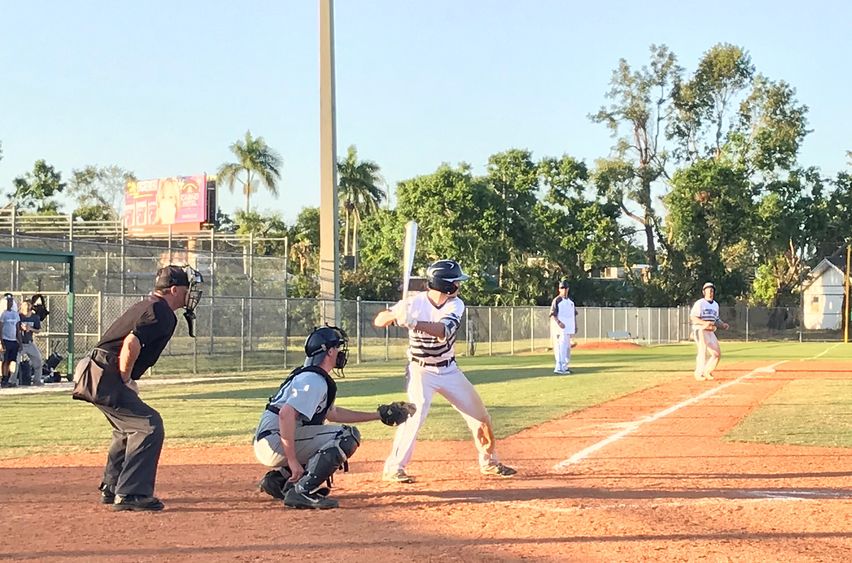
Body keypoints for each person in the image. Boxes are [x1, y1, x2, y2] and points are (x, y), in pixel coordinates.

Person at [374, 259, 516, 483]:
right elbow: (379, 320)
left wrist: (412, 322)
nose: (459, 285)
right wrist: (395, 315)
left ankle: (489, 462)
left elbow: (442, 331)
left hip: (449, 370)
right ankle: (394, 468)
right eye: (456, 281)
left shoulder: (456, 305)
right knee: (414, 414)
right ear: (446, 284)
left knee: (480, 416)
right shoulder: (414, 302)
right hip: (420, 370)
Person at [73, 265, 203, 511]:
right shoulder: (160, 311)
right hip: (103, 373)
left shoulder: (148, 305)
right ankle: (132, 493)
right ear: (174, 289)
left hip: (94, 370)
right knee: (149, 426)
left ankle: (112, 487)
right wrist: (125, 378)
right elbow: (132, 343)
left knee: (127, 428)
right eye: (186, 289)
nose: (190, 295)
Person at [253, 325, 415, 510]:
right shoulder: (313, 380)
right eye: (337, 348)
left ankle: (279, 481)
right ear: (329, 351)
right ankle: (302, 491)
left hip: (273, 437)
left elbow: (333, 414)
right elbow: (286, 415)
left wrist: (379, 415)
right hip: (275, 439)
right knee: (346, 436)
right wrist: (292, 460)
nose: (340, 352)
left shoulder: (311, 375)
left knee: (330, 435)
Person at [690, 282, 729, 381]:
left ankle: (707, 371)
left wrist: (723, 324)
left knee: (717, 354)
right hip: (700, 330)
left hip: (710, 331)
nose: (711, 292)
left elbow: (716, 320)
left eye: (712, 291)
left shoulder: (715, 305)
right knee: (702, 351)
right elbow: (693, 317)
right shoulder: (700, 303)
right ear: (704, 292)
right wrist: (704, 323)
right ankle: (699, 373)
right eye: (708, 291)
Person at [549, 278, 578, 375]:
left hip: (568, 329)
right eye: (562, 288)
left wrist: (575, 326)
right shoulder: (557, 300)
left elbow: (573, 314)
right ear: (559, 289)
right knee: (560, 348)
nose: (564, 290)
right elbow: (552, 314)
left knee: (567, 349)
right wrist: (559, 322)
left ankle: (565, 367)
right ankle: (559, 367)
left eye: (565, 288)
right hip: (559, 329)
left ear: (568, 289)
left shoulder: (570, 302)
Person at [18, 298, 44, 386]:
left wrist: (30, 329)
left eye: (28, 306)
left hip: (29, 343)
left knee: (38, 360)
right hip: (20, 343)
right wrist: (21, 328)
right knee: (16, 362)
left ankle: (37, 380)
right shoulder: (19, 316)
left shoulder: (35, 317)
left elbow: (38, 330)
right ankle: (13, 381)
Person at [0, 294, 20, 388]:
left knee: (12, 361)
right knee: (5, 360)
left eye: (11, 301)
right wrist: (1, 342)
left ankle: (9, 378)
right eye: (8, 301)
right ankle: (4, 379)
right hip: (5, 339)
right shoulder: (3, 314)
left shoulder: (15, 314)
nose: (10, 303)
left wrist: (19, 341)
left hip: (13, 341)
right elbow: (0, 328)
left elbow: (17, 328)